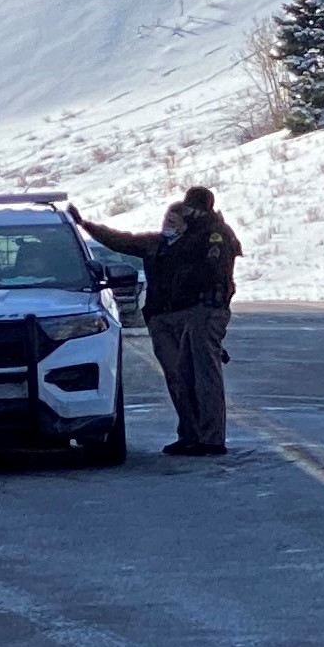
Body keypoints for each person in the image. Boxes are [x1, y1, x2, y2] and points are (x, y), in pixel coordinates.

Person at [77, 185, 243, 454]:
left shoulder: (211, 236)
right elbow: (123, 240)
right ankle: (190, 434)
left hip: (200, 311)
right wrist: (86, 224)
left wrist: (208, 316)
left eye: (179, 218)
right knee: (179, 378)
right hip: (165, 315)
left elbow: (215, 275)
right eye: (168, 220)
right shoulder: (158, 244)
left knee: (203, 375)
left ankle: (210, 438)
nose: (172, 223)